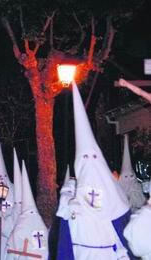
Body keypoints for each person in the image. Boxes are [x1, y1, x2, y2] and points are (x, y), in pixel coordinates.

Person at [56, 83, 132, 260]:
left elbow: (124, 232)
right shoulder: (72, 204)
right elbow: (65, 241)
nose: (89, 163)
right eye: (85, 160)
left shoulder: (114, 199)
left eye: (93, 159)